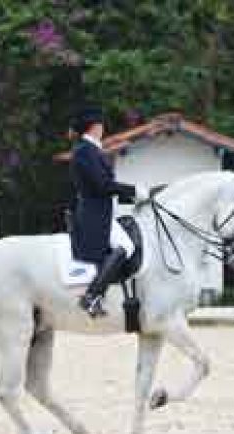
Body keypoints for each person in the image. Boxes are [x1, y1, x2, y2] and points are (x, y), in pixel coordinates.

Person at [68, 106, 147, 317]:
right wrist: (133, 190)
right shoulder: (85, 151)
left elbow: (106, 187)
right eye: (101, 125)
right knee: (126, 246)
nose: (103, 128)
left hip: (102, 212)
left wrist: (134, 197)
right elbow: (102, 185)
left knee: (126, 244)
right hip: (93, 217)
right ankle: (92, 295)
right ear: (95, 127)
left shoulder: (93, 150)